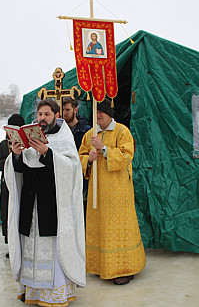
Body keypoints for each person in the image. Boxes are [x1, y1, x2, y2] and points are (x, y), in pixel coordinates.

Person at [4, 99, 86, 306]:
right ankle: (31, 292)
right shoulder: (30, 135)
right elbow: (19, 172)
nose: (42, 118)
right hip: (30, 203)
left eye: (47, 114)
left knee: (51, 249)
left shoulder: (64, 137)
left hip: (52, 205)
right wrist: (16, 155)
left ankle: (55, 293)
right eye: (40, 114)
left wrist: (47, 153)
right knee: (29, 244)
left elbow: (72, 169)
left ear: (56, 116)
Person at [78, 97, 146, 285]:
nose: (98, 115)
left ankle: (124, 268)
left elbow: (126, 156)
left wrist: (104, 149)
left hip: (118, 191)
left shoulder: (122, 131)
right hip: (97, 192)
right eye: (96, 111)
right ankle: (101, 266)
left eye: (102, 111)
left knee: (119, 229)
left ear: (110, 114)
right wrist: (89, 160)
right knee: (100, 226)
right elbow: (80, 158)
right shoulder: (90, 134)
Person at [0, 113, 25, 257]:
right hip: (7, 184)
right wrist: (11, 157)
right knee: (8, 213)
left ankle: (23, 244)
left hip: (23, 183)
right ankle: (11, 245)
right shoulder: (3, 144)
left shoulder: (27, 144)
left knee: (21, 213)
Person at [63, 97, 91, 222]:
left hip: (81, 178)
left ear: (76, 110)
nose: (64, 113)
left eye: (68, 110)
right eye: (62, 110)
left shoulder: (86, 131)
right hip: (64, 178)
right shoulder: (59, 131)